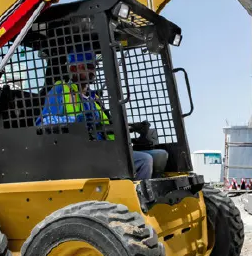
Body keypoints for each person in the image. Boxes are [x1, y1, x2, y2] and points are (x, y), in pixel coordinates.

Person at [36, 44, 168, 180]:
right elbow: (44, 122)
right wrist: (75, 121)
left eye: (94, 66)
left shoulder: (94, 99)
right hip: (81, 152)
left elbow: (107, 125)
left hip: (105, 148)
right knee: (144, 160)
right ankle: (140, 198)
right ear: (74, 68)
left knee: (160, 155)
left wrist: (132, 127)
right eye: (88, 67)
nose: (93, 70)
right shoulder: (61, 91)